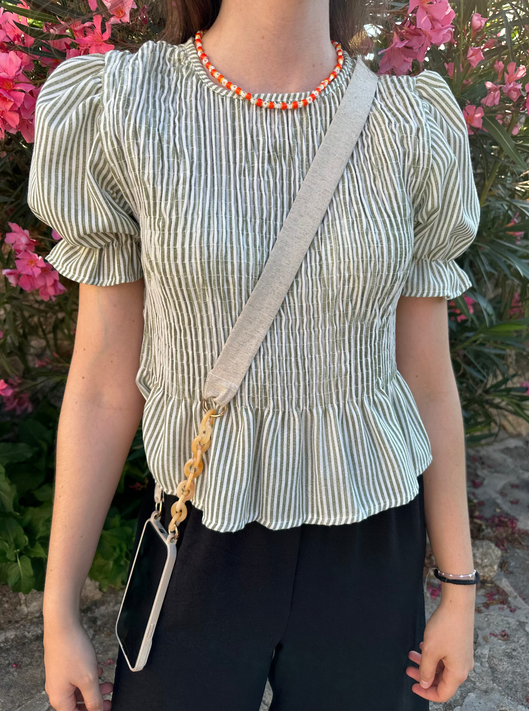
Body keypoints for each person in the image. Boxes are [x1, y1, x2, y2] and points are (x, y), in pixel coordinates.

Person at [27, 0, 482, 709]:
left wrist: (458, 587)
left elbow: (424, 376)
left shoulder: (409, 126)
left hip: (369, 539)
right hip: (200, 528)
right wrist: (59, 609)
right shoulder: (125, 109)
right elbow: (104, 385)